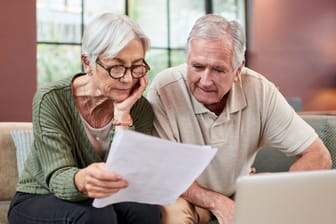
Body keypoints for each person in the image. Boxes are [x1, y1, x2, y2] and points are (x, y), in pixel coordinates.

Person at [147, 14, 332, 224]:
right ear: (187, 61)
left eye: (218, 69)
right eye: (197, 67)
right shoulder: (165, 88)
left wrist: (286, 191)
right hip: (187, 196)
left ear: (238, 70)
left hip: (240, 193)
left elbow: (318, 155)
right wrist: (217, 202)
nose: (205, 80)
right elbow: (163, 172)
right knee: (171, 213)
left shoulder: (260, 90)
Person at [8, 12, 161, 224]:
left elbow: (131, 178)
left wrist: (123, 115)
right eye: (116, 66)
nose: (127, 79)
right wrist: (83, 179)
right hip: (40, 196)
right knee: (94, 215)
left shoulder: (139, 107)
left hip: (104, 199)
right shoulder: (51, 99)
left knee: (147, 211)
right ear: (87, 62)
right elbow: (57, 176)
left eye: (136, 66)